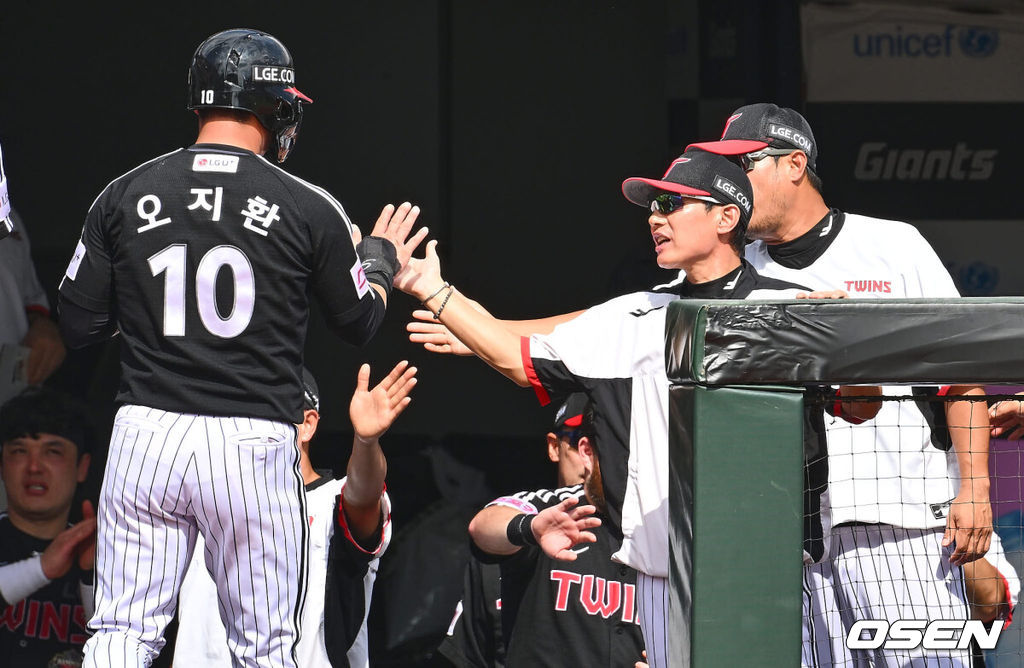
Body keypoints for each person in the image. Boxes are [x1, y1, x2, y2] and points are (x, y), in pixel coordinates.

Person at [55, 28, 427, 668]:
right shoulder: (309, 205)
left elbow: (78, 325)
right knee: (265, 648)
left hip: (147, 429)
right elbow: (359, 321)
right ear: (276, 106)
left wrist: (148, 311)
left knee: (120, 634)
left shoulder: (122, 192)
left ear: (199, 104)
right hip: (251, 440)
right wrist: (379, 262)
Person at [395, 148, 824, 667]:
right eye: (651, 206)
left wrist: (839, 345)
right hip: (661, 582)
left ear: (726, 217)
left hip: (763, 576)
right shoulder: (632, 316)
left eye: (671, 203)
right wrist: (431, 288)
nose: (654, 217)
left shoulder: (793, 308)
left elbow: (861, 408)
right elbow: (514, 357)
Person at [687, 103, 992, 666]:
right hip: (789, 538)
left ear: (794, 164)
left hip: (901, 525)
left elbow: (962, 375)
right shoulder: (731, 268)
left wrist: (974, 493)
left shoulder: (892, 245)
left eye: (744, 165)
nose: (730, 185)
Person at [175, 363, 413, 667]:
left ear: (306, 425)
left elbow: (363, 497)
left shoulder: (331, 501)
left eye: (257, 410)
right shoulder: (199, 506)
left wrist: (366, 442)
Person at [468, 395, 646, 667]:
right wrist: (529, 528)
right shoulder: (557, 507)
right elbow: (483, 525)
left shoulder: (675, 525)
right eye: (622, 453)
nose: (634, 466)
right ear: (588, 452)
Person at [435, 392, 592, 668]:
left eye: (602, 441)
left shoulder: (640, 538)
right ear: (554, 447)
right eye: (579, 438)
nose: (587, 453)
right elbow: (465, 656)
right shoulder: (508, 536)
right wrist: (526, 530)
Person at [0, 387, 97, 666]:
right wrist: (42, 568)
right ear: (2, 465)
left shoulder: (101, 556)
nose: (34, 467)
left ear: (82, 466)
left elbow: (125, 648)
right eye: (19, 451)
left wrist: (90, 577)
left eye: (53, 452)